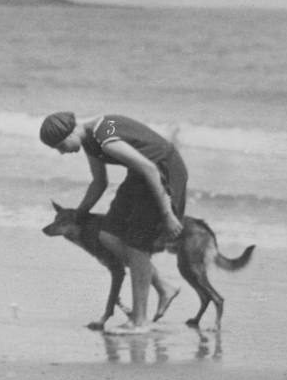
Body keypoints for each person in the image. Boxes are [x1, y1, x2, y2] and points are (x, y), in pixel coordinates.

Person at [40, 111, 187, 333]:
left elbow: (150, 168)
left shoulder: (105, 138)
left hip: (163, 171)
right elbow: (99, 182)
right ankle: (164, 288)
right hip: (139, 176)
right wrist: (80, 212)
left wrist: (167, 213)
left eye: (61, 145)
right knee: (108, 234)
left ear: (71, 131)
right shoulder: (91, 139)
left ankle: (139, 322)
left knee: (136, 245)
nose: (62, 152)